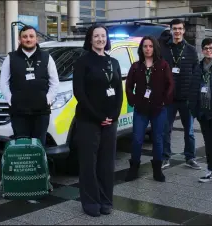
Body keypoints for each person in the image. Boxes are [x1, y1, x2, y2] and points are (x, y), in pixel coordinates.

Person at [73, 24, 123, 217]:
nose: (100, 39)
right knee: (88, 163)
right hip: (89, 120)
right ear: (90, 39)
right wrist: (99, 116)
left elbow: (118, 91)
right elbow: (80, 93)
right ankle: (90, 202)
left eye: (103, 36)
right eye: (96, 36)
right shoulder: (83, 62)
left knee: (106, 163)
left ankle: (105, 200)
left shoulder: (114, 62)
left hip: (110, 122)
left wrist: (114, 115)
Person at [125, 36, 174, 182]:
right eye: (145, 46)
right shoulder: (136, 66)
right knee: (137, 139)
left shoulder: (163, 65)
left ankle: (157, 170)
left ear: (155, 48)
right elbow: (128, 86)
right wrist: (133, 100)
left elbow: (170, 84)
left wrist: (165, 100)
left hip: (158, 109)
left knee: (158, 140)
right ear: (141, 49)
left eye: (150, 46)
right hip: (141, 110)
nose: (148, 49)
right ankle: (134, 168)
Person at [0, 25, 59, 146]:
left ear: (36, 39)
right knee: (21, 146)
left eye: (31, 36)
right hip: (19, 112)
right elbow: (3, 83)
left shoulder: (46, 57)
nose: (28, 39)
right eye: (25, 36)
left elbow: (55, 82)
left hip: (41, 112)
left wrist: (47, 99)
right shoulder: (11, 58)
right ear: (20, 39)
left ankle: (39, 165)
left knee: (39, 146)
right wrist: (11, 100)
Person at [160, 19, 201, 170]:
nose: (177, 31)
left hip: (186, 99)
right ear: (170, 30)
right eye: (174, 29)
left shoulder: (190, 50)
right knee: (166, 130)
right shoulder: (164, 49)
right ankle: (165, 157)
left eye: (179, 29)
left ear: (183, 31)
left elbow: (197, 74)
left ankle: (190, 157)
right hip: (169, 98)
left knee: (189, 131)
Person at [188, 38, 212, 188]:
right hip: (204, 113)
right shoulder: (198, 68)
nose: (209, 50)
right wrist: (194, 110)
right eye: (206, 48)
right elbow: (192, 91)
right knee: (209, 143)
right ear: (202, 50)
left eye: (211, 48)